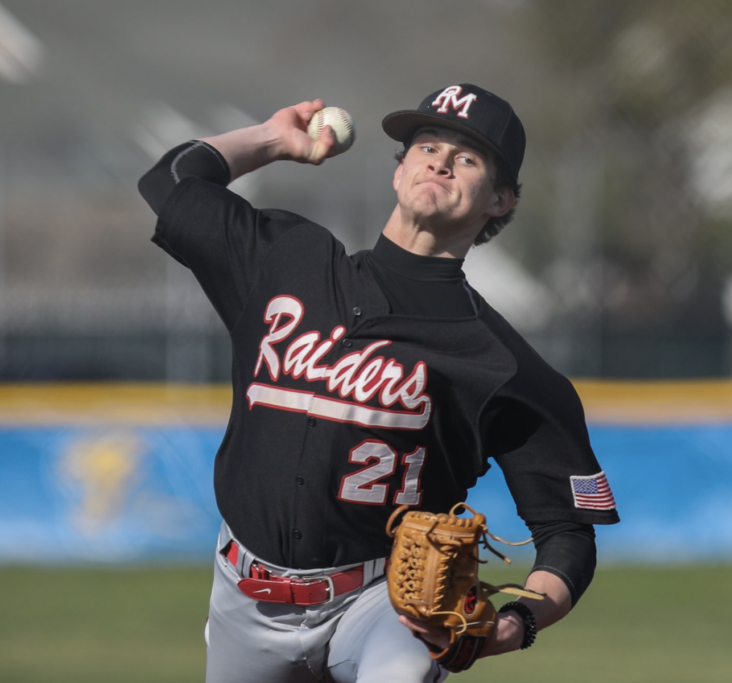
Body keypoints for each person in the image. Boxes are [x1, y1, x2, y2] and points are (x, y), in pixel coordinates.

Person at [138, 84, 619, 683]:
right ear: (398, 173)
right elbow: (171, 183)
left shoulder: (498, 361)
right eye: (426, 146)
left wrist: (516, 622)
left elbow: (567, 533)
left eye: (467, 158)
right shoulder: (286, 262)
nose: (440, 160)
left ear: (500, 200)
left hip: (384, 603)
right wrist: (269, 140)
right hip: (245, 597)